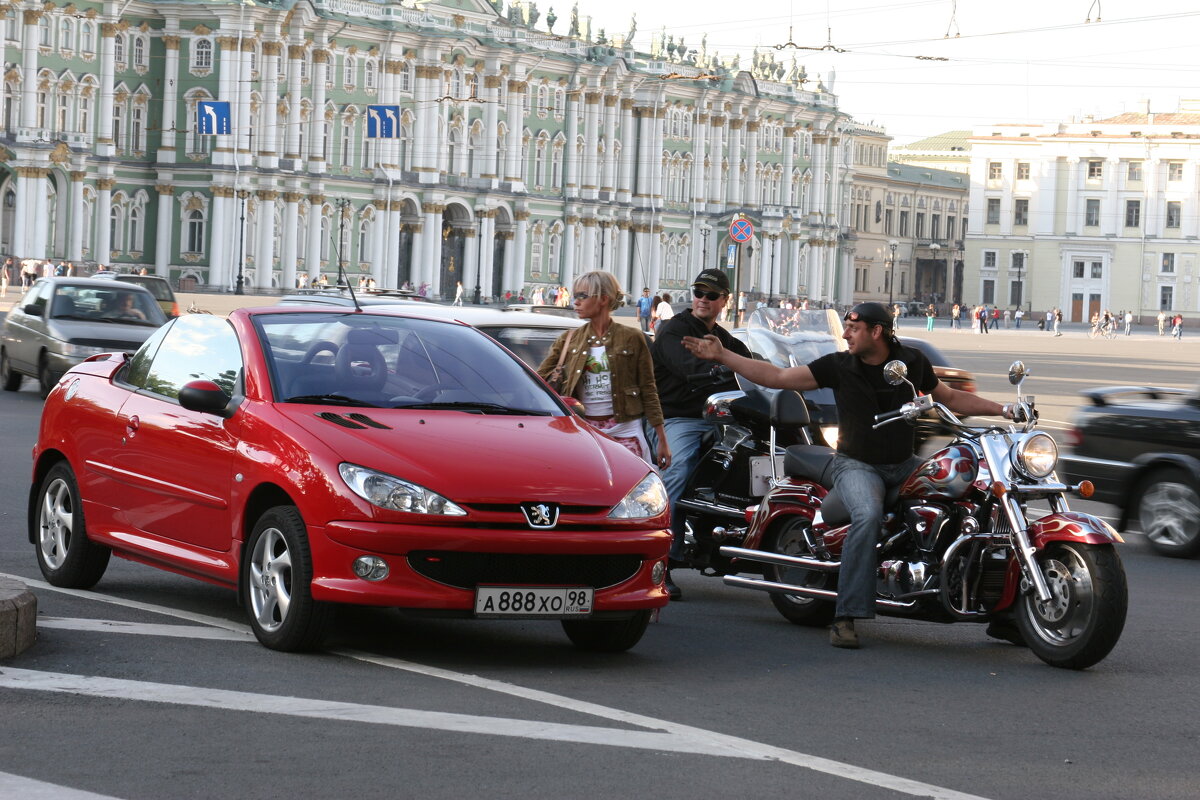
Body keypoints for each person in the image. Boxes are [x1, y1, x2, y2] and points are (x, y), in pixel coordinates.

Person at [681, 301, 1018, 648]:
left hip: (903, 464)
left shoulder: (910, 362)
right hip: (857, 464)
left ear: (877, 331)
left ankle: (1006, 610)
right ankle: (846, 614)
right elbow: (778, 377)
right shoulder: (839, 366)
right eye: (845, 327)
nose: (845, 334)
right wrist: (724, 356)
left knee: (973, 496)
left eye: (853, 328)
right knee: (868, 515)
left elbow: (947, 396)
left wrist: (1003, 409)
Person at [650, 269, 752, 600]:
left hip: (721, 418)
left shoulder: (723, 338)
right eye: (698, 292)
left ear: (725, 300)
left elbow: (748, 361)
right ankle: (660, 561)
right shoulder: (673, 331)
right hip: (679, 418)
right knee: (676, 469)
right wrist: (721, 367)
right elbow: (691, 369)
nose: (703, 299)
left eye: (711, 295)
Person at [537, 270, 671, 475]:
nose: (576, 302)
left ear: (603, 299)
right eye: (575, 296)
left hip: (626, 432)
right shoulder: (569, 339)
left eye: (583, 296)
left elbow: (649, 389)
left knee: (630, 488)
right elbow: (538, 382)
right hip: (584, 433)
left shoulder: (632, 337)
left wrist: (662, 440)